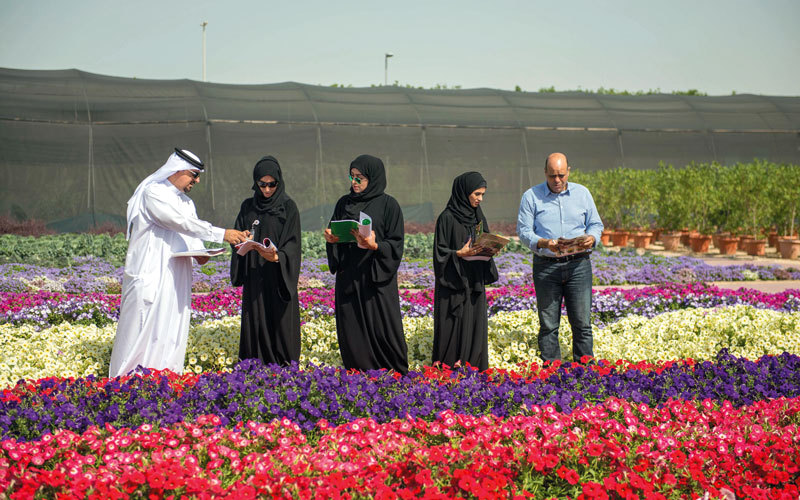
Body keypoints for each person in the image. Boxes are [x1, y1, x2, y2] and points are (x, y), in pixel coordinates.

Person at [109, 148, 249, 377]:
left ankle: (165, 381)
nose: (197, 180)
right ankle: (126, 385)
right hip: (150, 274)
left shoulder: (186, 203)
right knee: (141, 331)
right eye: (194, 174)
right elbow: (178, 223)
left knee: (170, 329)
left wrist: (202, 252)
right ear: (178, 169)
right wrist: (222, 233)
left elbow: (189, 232)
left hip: (176, 278)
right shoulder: (153, 193)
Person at [323, 154, 408, 374]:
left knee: (383, 327)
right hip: (349, 276)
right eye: (352, 177)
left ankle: (393, 372)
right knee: (353, 328)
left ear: (373, 178)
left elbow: (396, 243)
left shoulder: (389, 205)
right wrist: (331, 240)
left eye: (360, 178)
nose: (354, 182)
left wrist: (376, 246)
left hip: (376, 278)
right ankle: (358, 374)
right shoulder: (344, 203)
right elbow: (336, 230)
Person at [516, 152, 604, 363]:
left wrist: (592, 238)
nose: (557, 180)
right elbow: (524, 231)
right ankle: (552, 373)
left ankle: (586, 370)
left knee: (582, 323)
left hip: (578, 266)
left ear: (569, 172)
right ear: (545, 172)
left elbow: (596, 224)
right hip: (547, 266)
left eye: (561, 175)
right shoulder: (531, 196)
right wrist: (544, 242)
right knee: (548, 325)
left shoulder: (582, 194)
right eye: (552, 176)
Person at [230, 156, 301, 365]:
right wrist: (242, 239)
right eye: (262, 184)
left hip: (279, 277)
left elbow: (294, 244)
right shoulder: (248, 207)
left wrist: (277, 256)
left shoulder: (288, 208)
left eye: (272, 184)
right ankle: (254, 367)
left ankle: (284, 368)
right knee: (256, 320)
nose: (267, 190)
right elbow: (236, 238)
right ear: (256, 183)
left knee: (280, 323)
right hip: (255, 277)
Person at [432, 172, 499, 371]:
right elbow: (439, 253)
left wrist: (489, 248)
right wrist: (458, 254)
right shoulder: (447, 218)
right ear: (464, 192)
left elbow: (484, 238)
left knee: (474, 328)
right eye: (477, 194)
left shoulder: (477, 216)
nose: (480, 199)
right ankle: (447, 373)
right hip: (452, 285)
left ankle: (472, 370)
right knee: (451, 329)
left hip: (473, 282)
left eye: (483, 195)